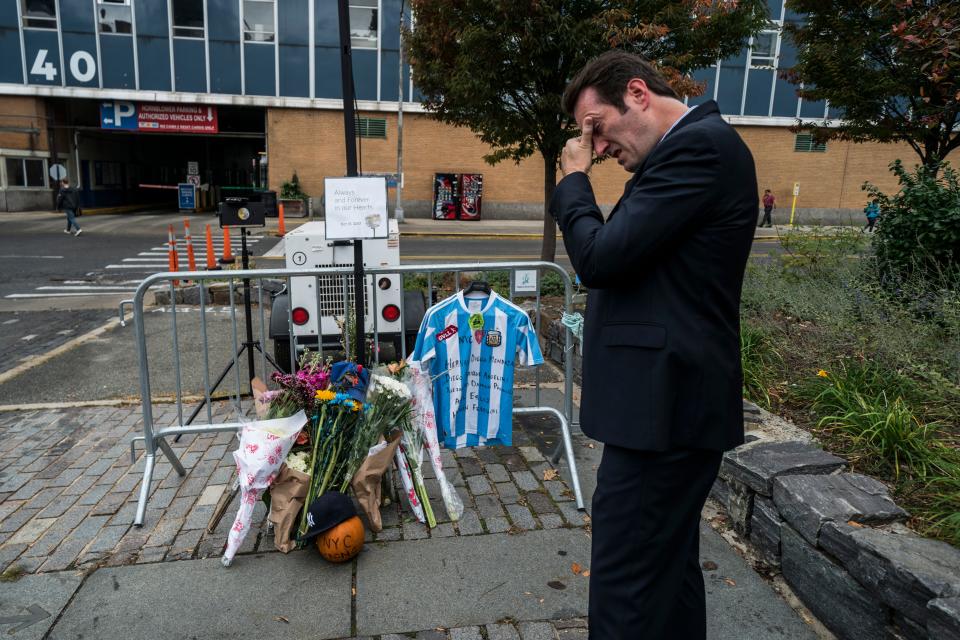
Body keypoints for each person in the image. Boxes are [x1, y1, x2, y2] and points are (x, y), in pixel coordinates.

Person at [549, 51, 757, 639]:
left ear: (637, 93)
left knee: (627, 585)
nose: (598, 147)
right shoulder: (681, 155)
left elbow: (599, 259)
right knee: (666, 573)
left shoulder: (700, 148)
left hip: (665, 410)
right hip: (665, 408)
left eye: (598, 127)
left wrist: (572, 180)